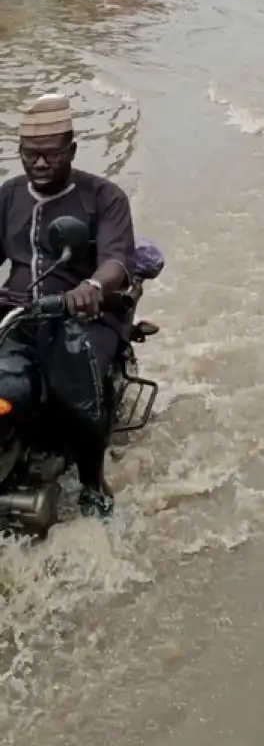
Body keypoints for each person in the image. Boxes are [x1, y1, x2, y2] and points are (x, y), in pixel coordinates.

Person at [0, 93, 135, 517]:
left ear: (72, 150)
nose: (39, 164)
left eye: (50, 155)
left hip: (81, 314)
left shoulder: (104, 197)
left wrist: (92, 285)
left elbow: (117, 260)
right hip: (17, 309)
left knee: (74, 371)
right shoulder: (8, 195)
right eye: (30, 155)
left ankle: (94, 484)